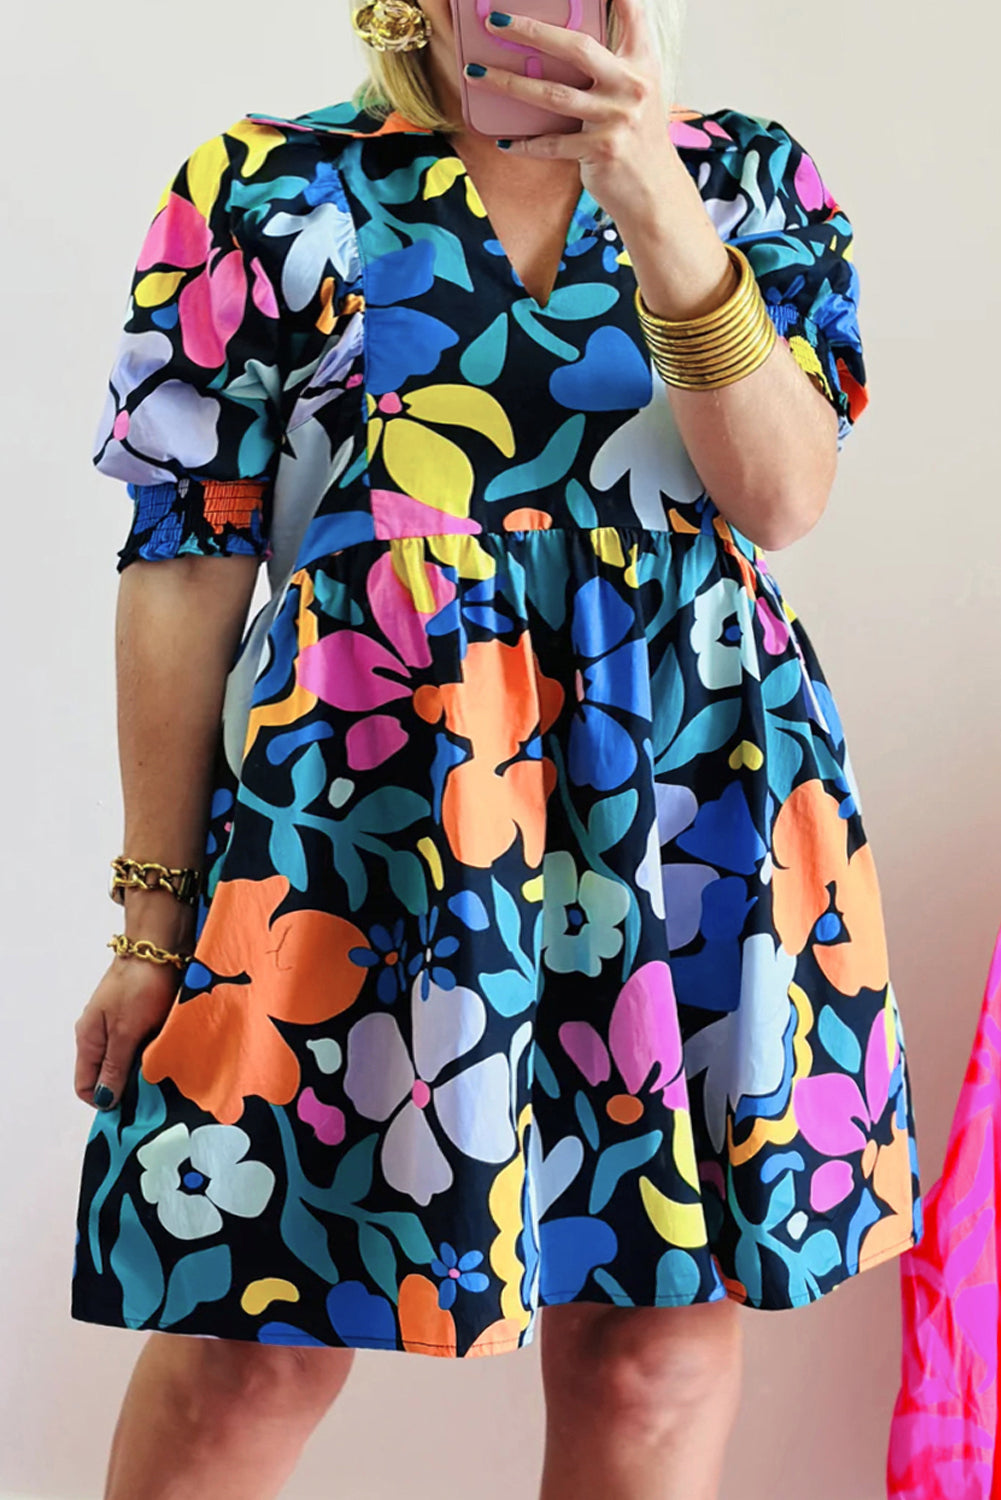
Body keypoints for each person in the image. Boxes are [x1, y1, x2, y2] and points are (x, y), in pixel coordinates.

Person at [71, 0, 922, 1494]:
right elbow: (186, 564)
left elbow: (782, 498)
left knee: (649, 1347)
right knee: (247, 1339)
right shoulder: (267, 186)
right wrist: (154, 915)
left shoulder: (744, 181)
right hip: (355, 835)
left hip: (685, 818)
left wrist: (652, 197)